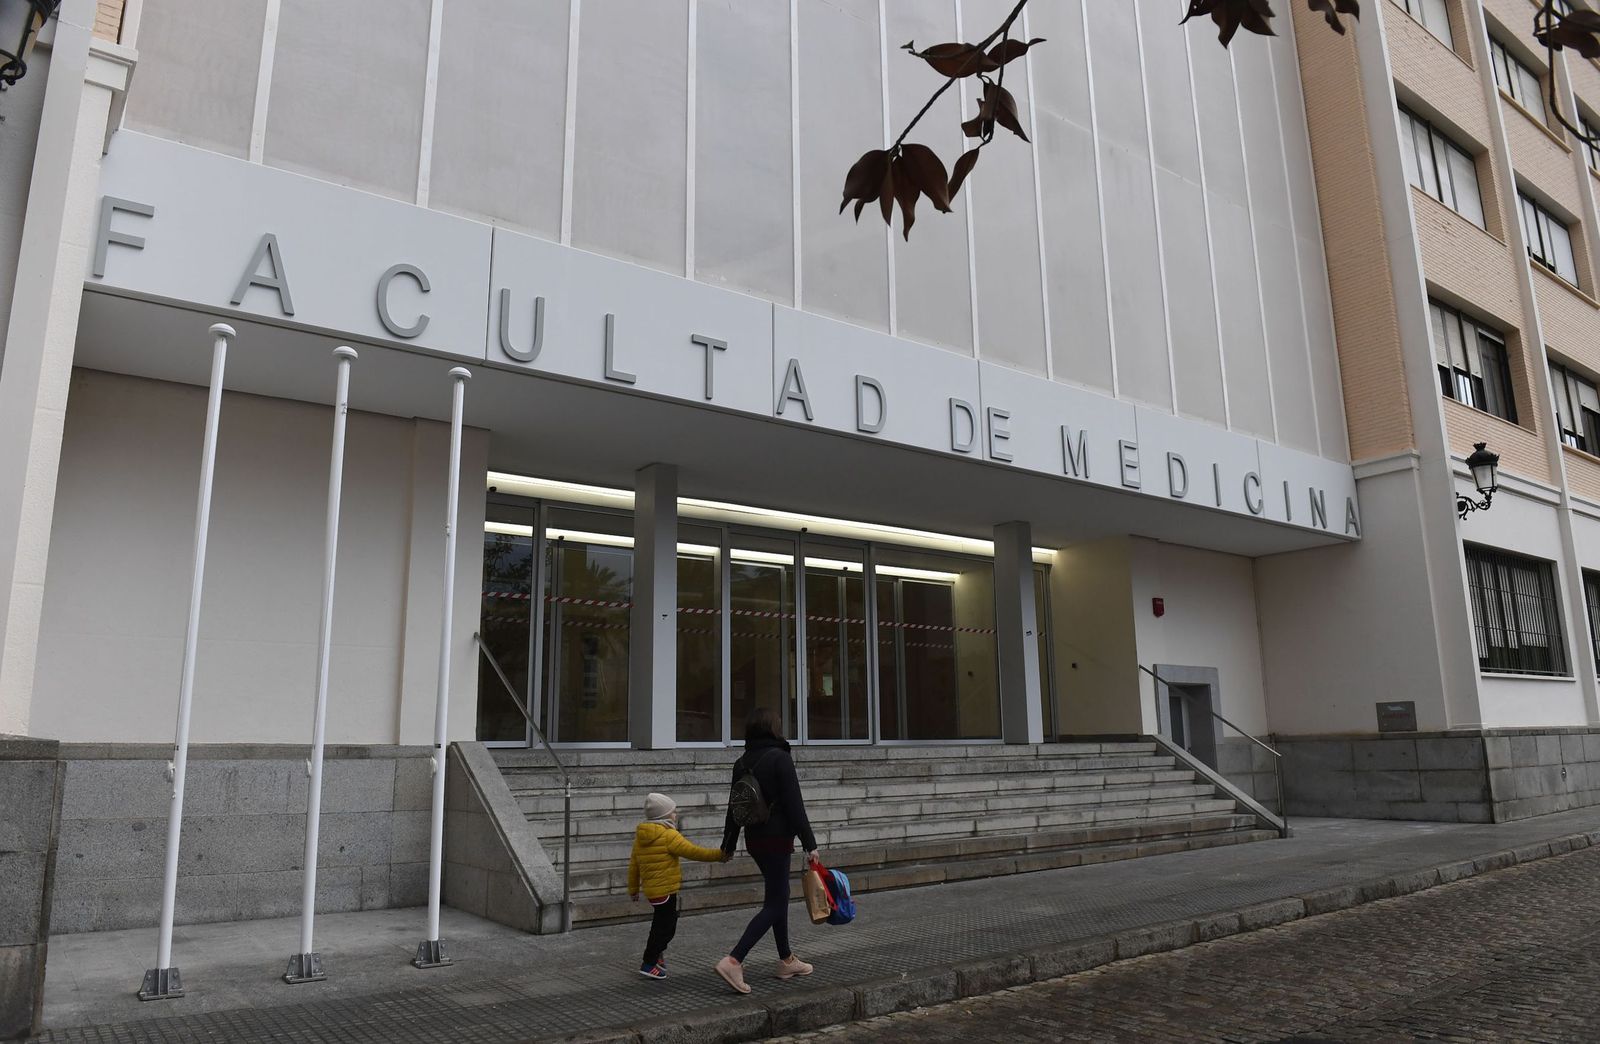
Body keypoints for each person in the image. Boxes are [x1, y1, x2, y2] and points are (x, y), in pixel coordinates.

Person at [715, 707, 820, 994]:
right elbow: (795, 805)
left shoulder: (741, 762)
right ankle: (734, 960)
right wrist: (810, 844)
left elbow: (734, 808)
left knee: (777, 896)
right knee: (776, 902)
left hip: (755, 840)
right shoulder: (780, 758)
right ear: (773, 727)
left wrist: (728, 844)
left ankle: (787, 960)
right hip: (777, 840)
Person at [627, 791, 730, 979]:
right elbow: (694, 852)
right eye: (673, 812)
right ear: (664, 815)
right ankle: (649, 962)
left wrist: (633, 889)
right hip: (666, 890)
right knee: (666, 927)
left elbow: (634, 866)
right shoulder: (668, 835)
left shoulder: (641, 837)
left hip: (653, 891)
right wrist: (720, 855)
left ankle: (656, 956)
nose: (676, 814)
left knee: (662, 923)